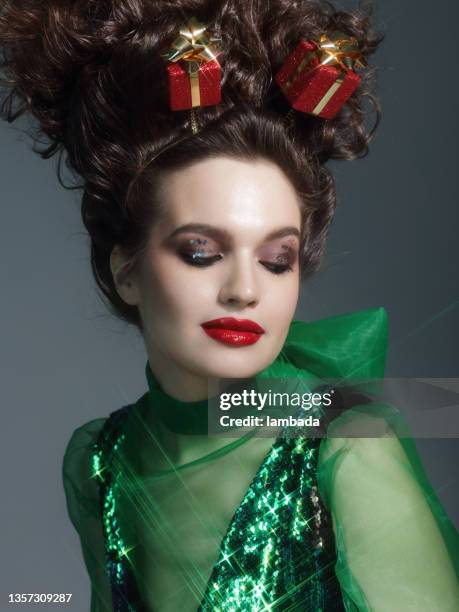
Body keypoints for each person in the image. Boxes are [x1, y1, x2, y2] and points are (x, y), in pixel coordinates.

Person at [1, 1, 458, 610]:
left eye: (277, 261)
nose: (245, 289)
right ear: (127, 270)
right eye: (200, 251)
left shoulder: (345, 449)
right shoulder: (100, 464)